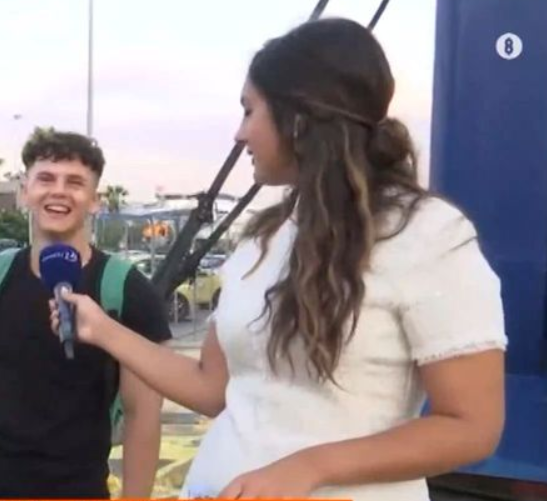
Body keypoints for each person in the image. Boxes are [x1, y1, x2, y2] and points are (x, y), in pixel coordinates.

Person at [52, 18, 506, 501]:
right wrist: (102, 329)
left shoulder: (426, 234)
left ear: (299, 118)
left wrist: (310, 467)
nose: (239, 133)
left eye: (250, 111)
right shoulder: (261, 241)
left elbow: (471, 425)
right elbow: (212, 389)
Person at [0, 130, 172, 499]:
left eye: (75, 183)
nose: (59, 192)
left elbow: (143, 416)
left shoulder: (127, 290)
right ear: (25, 192)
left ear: (95, 201)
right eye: (46, 179)